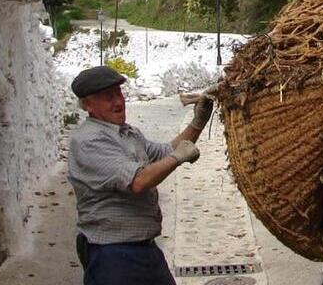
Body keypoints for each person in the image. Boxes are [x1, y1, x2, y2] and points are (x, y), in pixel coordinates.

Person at [67, 65, 215, 285]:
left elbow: (164, 153)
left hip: (145, 250)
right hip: (112, 257)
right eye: (108, 97)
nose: (118, 102)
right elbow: (138, 181)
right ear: (88, 105)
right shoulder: (89, 141)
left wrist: (198, 123)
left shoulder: (128, 133)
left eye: (119, 93)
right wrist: (178, 158)